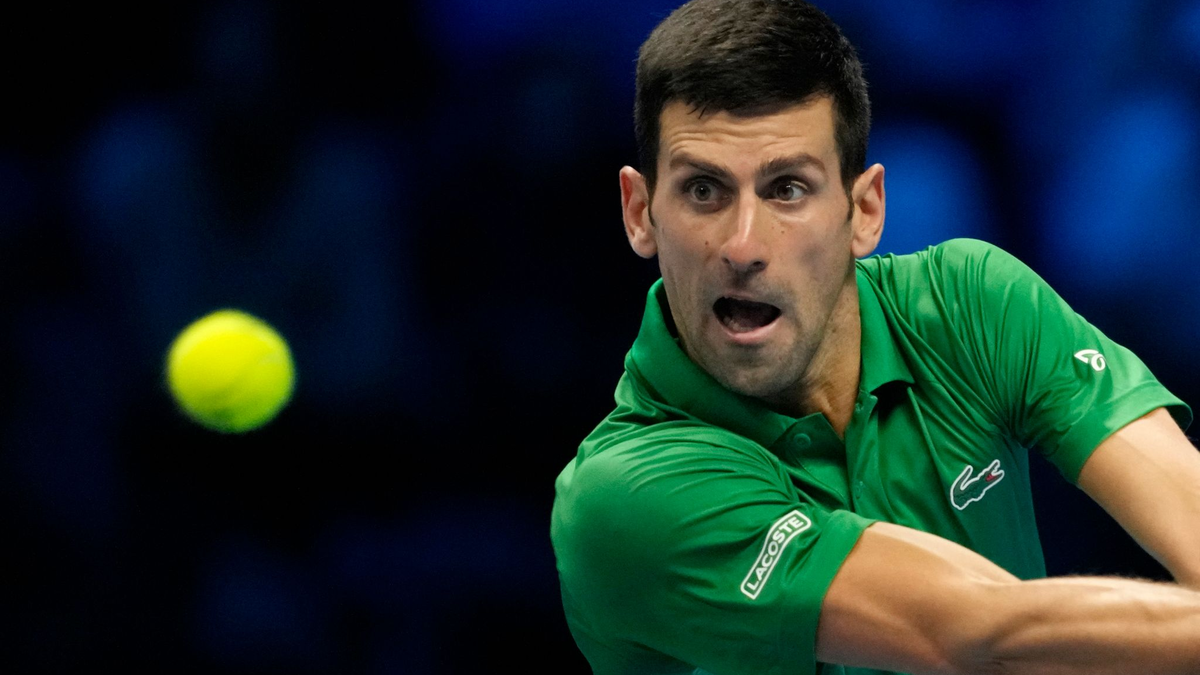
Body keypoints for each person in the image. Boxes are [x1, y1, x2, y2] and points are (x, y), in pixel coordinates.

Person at [550, 1, 1200, 673]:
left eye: (788, 188)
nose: (743, 245)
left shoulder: (968, 303)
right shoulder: (621, 496)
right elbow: (977, 633)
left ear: (863, 212)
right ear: (640, 212)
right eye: (704, 191)